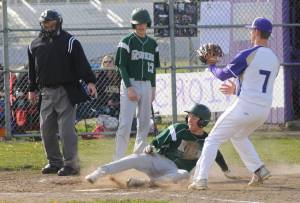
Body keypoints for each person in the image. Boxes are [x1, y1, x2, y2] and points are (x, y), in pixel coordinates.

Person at [188, 17, 280, 190]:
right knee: (238, 136)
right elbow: (258, 86)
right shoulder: (275, 60)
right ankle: (259, 170)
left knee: (212, 139)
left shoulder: (248, 54)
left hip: (245, 106)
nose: (250, 33)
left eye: (252, 30)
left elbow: (222, 75)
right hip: (262, 111)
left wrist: (211, 64)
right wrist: (237, 90)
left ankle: (200, 179)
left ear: (257, 32)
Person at [85, 104, 237, 185]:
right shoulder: (178, 129)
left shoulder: (207, 141)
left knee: (184, 175)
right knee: (135, 158)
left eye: (195, 117)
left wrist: (227, 171)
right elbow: (155, 143)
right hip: (158, 161)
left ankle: (145, 183)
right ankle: (99, 172)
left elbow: (217, 156)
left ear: (203, 121)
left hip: (174, 171)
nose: (190, 119)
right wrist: (150, 148)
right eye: (189, 116)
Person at [27, 9, 97, 176]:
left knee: (66, 130)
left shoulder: (70, 41)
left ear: (59, 23)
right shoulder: (34, 45)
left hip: (66, 91)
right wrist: (32, 89)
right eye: (45, 24)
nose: (49, 27)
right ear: (41, 24)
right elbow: (32, 70)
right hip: (46, 92)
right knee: (46, 130)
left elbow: (82, 63)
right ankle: (54, 162)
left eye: (52, 24)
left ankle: (71, 164)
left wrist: (90, 81)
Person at [114, 8, 160, 160]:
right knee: (125, 124)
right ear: (134, 25)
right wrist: (129, 87)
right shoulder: (126, 42)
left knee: (145, 123)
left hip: (146, 84)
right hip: (131, 83)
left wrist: (153, 87)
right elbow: (121, 66)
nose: (141, 26)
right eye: (137, 23)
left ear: (148, 24)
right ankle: (118, 158)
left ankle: (138, 157)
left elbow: (152, 69)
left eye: (144, 23)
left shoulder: (153, 44)